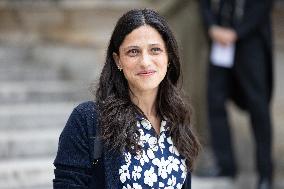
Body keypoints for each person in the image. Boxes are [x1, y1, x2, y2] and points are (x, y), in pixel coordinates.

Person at [53, 8, 200, 189]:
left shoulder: (177, 119)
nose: (145, 62)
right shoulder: (87, 119)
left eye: (155, 50)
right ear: (118, 60)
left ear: (168, 57)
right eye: (133, 52)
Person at [199, 0, 274, 189]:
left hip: (251, 39)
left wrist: (237, 33)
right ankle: (225, 165)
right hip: (219, 38)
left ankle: (265, 173)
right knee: (214, 100)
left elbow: (263, 6)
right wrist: (211, 26)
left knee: (258, 106)